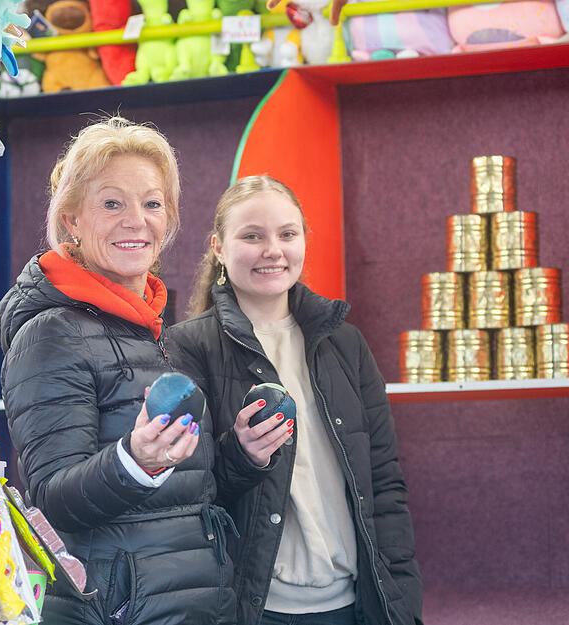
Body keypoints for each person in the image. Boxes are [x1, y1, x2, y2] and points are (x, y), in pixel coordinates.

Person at [0, 118, 290, 625]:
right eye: (111, 203)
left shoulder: (150, 328)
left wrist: (240, 455)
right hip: (121, 611)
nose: (137, 220)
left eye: (152, 203)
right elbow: (51, 500)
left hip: (193, 605)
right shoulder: (51, 334)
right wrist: (134, 462)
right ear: (71, 222)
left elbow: (186, 490)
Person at [165, 175, 424, 625]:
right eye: (252, 236)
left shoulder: (345, 343)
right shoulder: (188, 347)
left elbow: (383, 483)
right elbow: (182, 496)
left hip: (352, 605)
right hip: (256, 608)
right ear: (219, 249)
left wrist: (401, 602)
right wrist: (241, 455)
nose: (273, 250)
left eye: (287, 234)